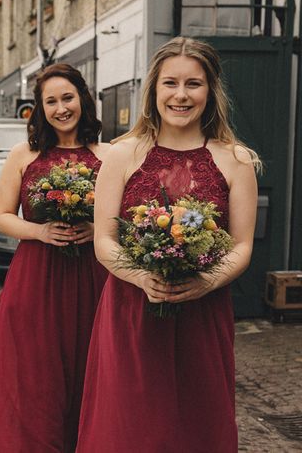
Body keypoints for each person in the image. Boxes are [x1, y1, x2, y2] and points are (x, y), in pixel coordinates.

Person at [76, 37, 259, 453]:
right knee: (129, 429)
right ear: (153, 90)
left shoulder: (237, 160)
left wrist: (206, 282)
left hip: (203, 314)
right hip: (131, 312)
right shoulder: (121, 156)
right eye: (170, 83)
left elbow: (243, 245)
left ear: (210, 91)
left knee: (197, 427)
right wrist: (141, 277)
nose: (180, 95)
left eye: (193, 84)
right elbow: (104, 240)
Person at [0, 63, 109, 452]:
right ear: (39, 108)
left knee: (89, 372)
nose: (61, 108)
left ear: (83, 98)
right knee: (34, 378)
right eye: (51, 101)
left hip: (93, 277)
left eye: (68, 98)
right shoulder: (23, 154)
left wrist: (95, 230)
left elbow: (122, 217)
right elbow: (2, 217)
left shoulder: (109, 154)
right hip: (36, 277)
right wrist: (41, 231)